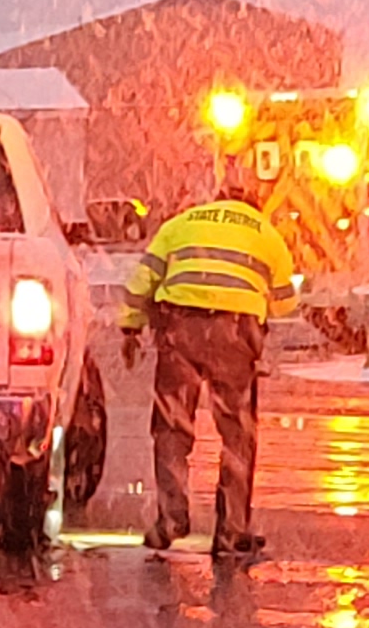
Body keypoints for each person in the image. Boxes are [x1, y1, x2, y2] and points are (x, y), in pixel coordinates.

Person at [120, 166, 297, 557]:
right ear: (252, 204)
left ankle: (171, 519)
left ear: (217, 199)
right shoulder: (265, 233)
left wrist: (130, 327)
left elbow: (141, 281)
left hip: (179, 327)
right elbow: (285, 302)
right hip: (235, 334)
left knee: (171, 426)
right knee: (236, 433)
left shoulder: (182, 223)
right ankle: (231, 531)